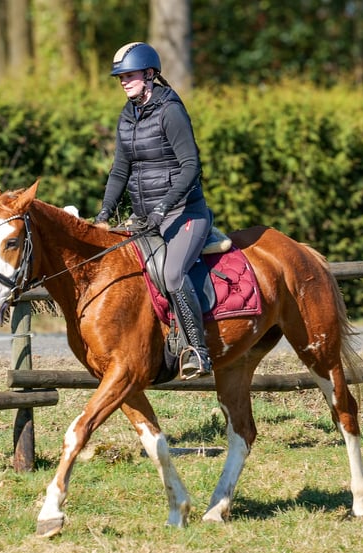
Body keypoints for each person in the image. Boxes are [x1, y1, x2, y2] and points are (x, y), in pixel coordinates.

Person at [94, 41, 212, 380]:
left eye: (128, 75)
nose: (122, 81)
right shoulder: (127, 116)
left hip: (185, 214)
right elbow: (120, 170)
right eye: (119, 77)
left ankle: (197, 352)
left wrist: (164, 206)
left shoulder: (170, 110)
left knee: (172, 274)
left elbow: (191, 166)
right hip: (146, 217)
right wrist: (104, 213)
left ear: (148, 74)